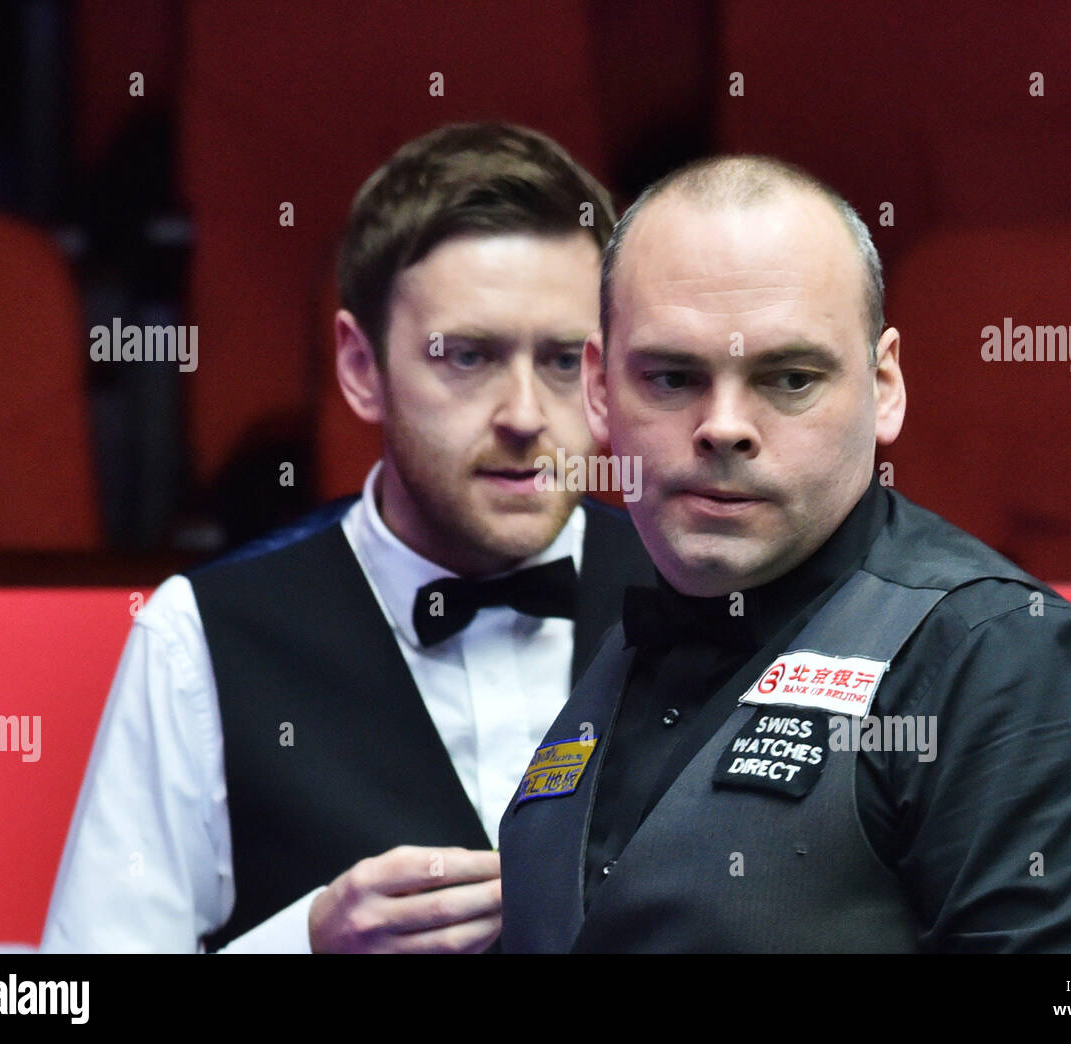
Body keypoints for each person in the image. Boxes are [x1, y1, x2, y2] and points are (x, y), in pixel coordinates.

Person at [499, 155, 1071, 953]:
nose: (724, 426)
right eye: (673, 377)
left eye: (788, 378)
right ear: (599, 389)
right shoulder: (621, 636)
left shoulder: (1011, 666)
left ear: (884, 386)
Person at [42, 123, 652, 953]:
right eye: (466, 357)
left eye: (560, 362)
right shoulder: (202, 639)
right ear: (362, 368)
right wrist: (305, 946)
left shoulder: (705, 602)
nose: (522, 415)